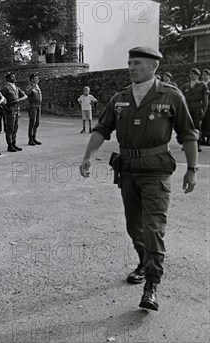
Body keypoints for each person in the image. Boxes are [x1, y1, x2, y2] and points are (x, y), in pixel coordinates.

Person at [79, 47, 199, 311]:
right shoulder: (120, 98)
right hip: (128, 170)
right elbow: (102, 128)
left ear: (153, 67)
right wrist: (88, 156)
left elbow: (188, 134)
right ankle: (145, 263)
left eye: (137, 63)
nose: (131, 67)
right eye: (130, 63)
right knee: (134, 226)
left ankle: (152, 285)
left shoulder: (171, 95)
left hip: (156, 171)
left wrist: (192, 169)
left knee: (153, 227)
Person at [180, 68, 209, 152]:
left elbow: (205, 99)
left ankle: (197, 145)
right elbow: (181, 98)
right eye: (191, 74)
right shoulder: (186, 86)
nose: (192, 76)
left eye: (194, 74)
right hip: (188, 109)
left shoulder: (202, 85)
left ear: (197, 75)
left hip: (197, 109)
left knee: (196, 127)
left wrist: (204, 110)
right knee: (187, 127)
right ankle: (187, 145)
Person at [0, 72, 24, 153]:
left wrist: (19, 100)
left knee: (15, 128)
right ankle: (9, 144)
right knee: (10, 128)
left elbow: (25, 96)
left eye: (14, 76)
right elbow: (0, 98)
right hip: (10, 110)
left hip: (16, 109)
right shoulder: (6, 88)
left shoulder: (16, 87)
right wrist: (6, 107)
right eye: (12, 77)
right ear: (8, 78)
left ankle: (14, 143)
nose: (14, 78)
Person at [26, 73, 43, 146]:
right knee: (32, 122)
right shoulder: (30, 86)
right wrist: (33, 86)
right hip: (32, 106)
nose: (37, 79)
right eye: (36, 78)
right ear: (32, 79)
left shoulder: (37, 86)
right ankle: (30, 139)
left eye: (37, 78)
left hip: (38, 106)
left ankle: (34, 137)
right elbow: (27, 92)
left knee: (37, 122)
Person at [201, 69, 210, 145]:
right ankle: (202, 137)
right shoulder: (200, 84)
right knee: (202, 122)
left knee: (208, 122)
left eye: (206, 75)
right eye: (203, 74)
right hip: (201, 106)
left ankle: (209, 139)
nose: (204, 76)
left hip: (209, 107)